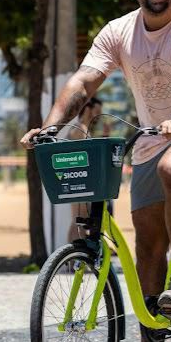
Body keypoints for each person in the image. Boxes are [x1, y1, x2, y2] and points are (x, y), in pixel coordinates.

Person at [20, 0, 171, 339]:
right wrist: (50, 127)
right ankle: (153, 329)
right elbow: (84, 81)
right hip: (153, 139)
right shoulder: (118, 31)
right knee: (148, 243)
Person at [65, 97, 103, 242]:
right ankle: (73, 260)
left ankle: (74, 259)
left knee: (80, 220)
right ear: (87, 109)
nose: (97, 117)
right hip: (78, 181)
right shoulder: (80, 128)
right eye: (96, 112)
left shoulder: (81, 128)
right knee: (78, 221)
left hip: (80, 180)